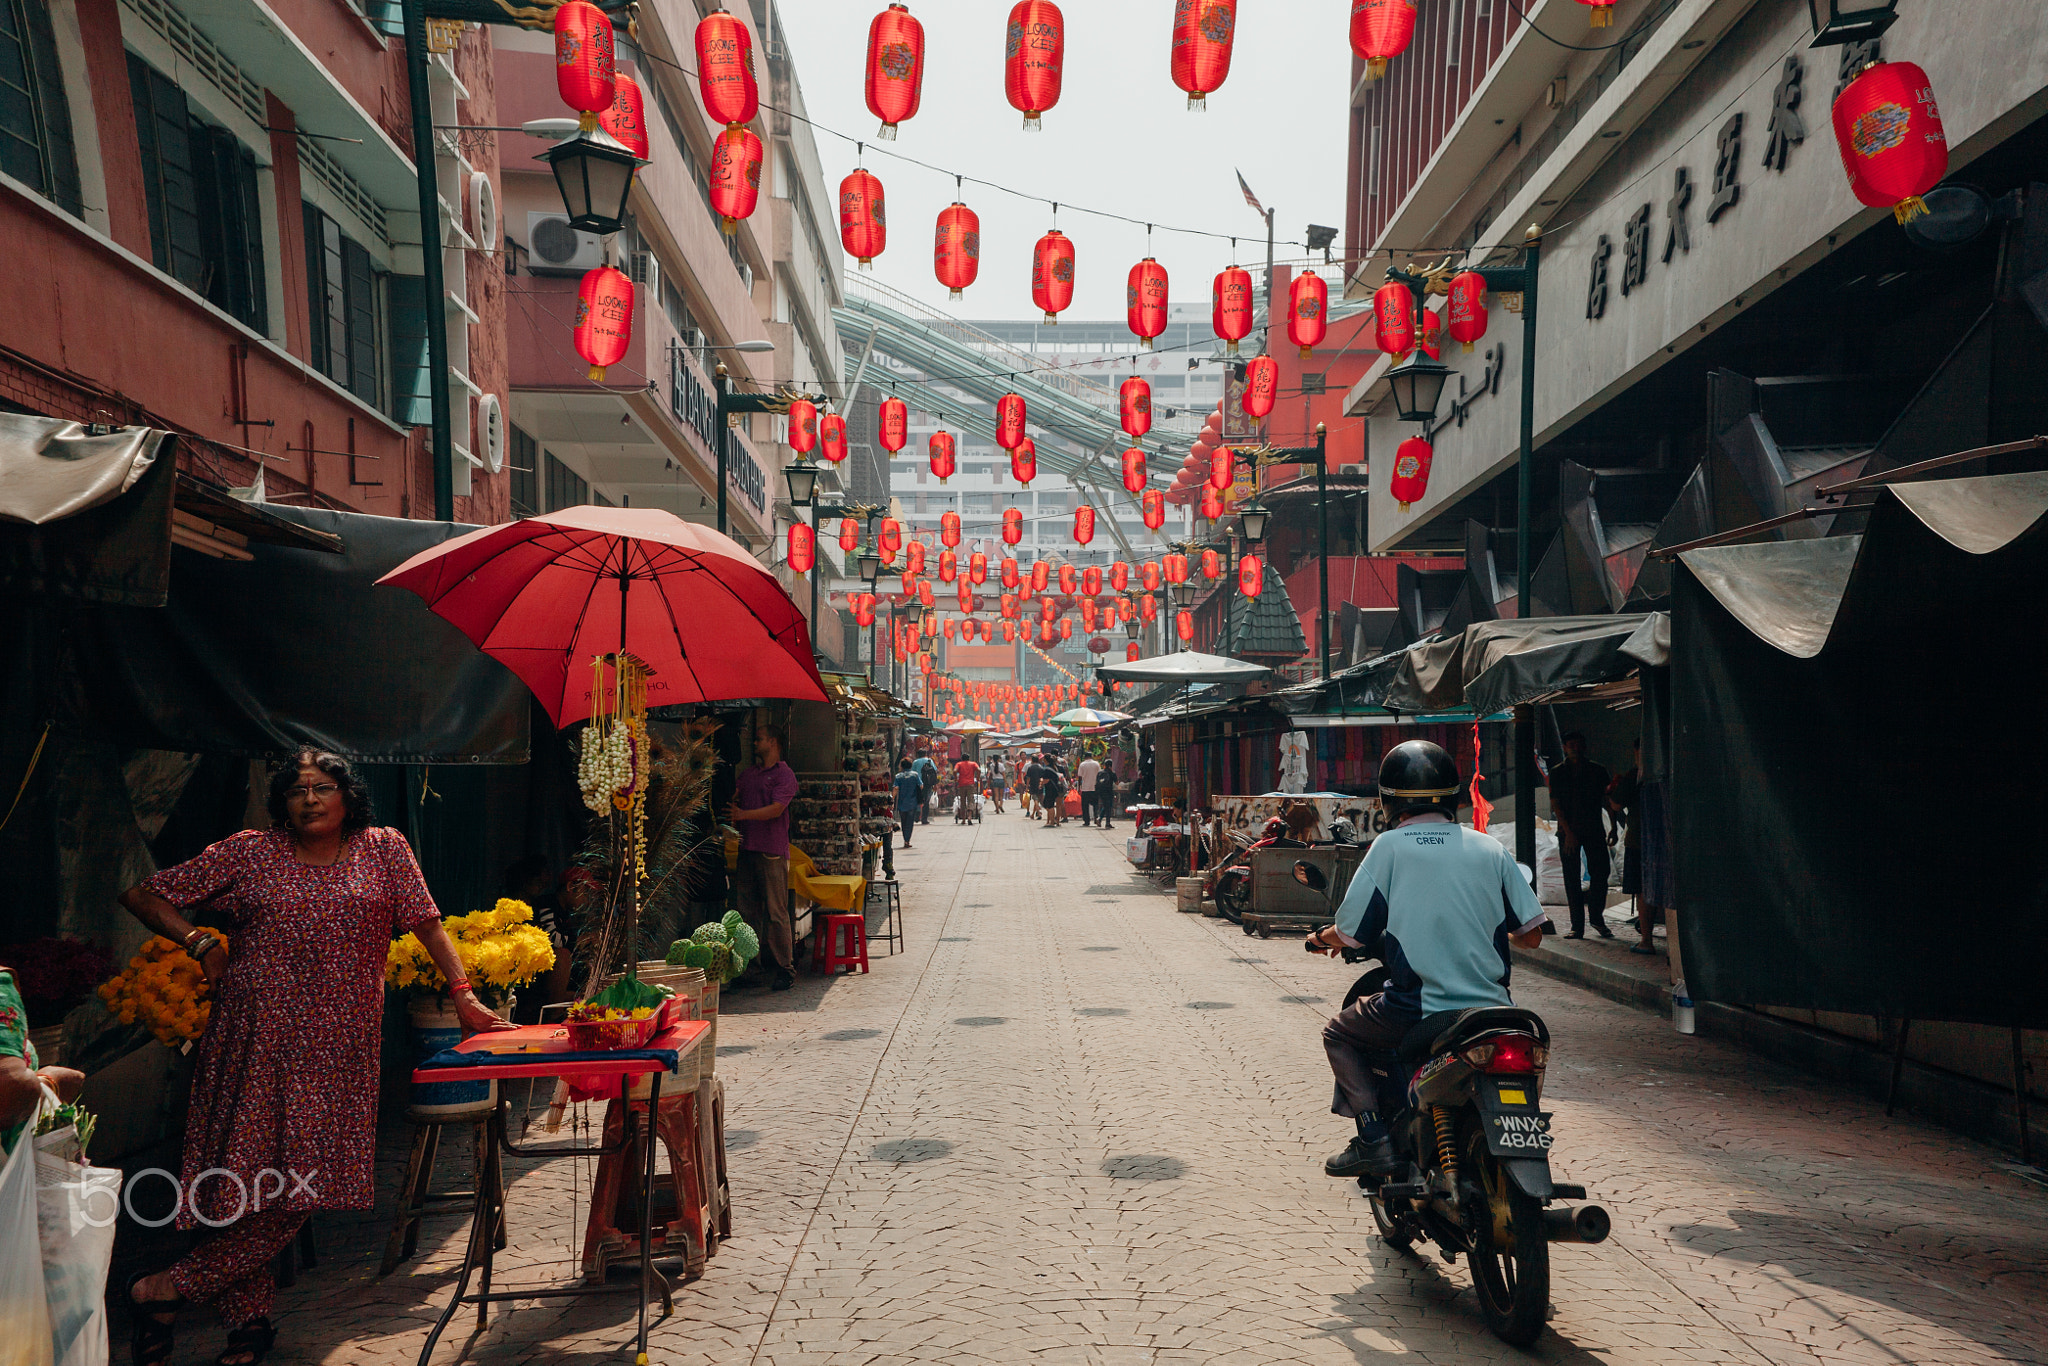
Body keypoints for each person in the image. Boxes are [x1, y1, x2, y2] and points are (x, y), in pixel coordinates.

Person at [120, 748, 514, 1366]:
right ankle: (247, 1322)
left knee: (305, 1185)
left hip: (341, 1046)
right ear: (282, 802)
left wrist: (463, 994)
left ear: (347, 795)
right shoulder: (250, 851)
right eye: (298, 789)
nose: (310, 799)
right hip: (254, 1037)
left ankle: (164, 1291)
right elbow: (145, 894)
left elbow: (429, 924)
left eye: (323, 787)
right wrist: (201, 942)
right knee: (247, 1183)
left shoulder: (384, 849)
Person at [1308, 741, 1548, 1178]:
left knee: (1338, 1034)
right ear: (1452, 796)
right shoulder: (1489, 848)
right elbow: (1531, 936)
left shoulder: (1390, 847)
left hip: (1418, 1009)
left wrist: (1319, 938)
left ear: (1389, 799)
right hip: (1494, 1012)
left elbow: (1350, 932)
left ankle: (1373, 1140)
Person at [727, 723, 798, 991]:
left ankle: (785, 968)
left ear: (773, 741)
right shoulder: (748, 774)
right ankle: (749, 967)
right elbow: (734, 797)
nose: (754, 744)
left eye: (759, 740)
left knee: (776, 911)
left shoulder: (784, 775)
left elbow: (776, 810)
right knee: (747, 912)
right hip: (747, 850)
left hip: (771, 851)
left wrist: (742, 815)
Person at [1548, 731, 1614, 939]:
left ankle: (1596, 918)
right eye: (1570, 744)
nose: (1574, 747)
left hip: (1594, 828)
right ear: (1565, 747)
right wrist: (1568, 833)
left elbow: (1608, 799)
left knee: (1601, 874)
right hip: (1568, 830)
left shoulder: (1597, 771)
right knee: (1571, 878)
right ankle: (1577, 925)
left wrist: (1612, 826)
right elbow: (1556, 804)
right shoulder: (1558, 772)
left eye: (1578, 744)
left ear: (1584, 747)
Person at [1609, 741, 1660, 955]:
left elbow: (1616, 804)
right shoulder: (1665, 772)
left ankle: (1646, 939)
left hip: (1640, 842)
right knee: (1656, 890)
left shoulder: (1635, 776)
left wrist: (1613, 791)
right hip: (1661, 842)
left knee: (1642, 891)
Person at [892, 758, 924, 848]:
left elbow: (895, 788)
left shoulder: (898, 776)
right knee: (910, 823)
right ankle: (907, 840)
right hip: (912, 803)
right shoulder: (915, 775)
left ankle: (905, 839)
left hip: (902, 804)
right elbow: (921, 786)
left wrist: (892, 799)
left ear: (902, 766)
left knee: (903, 822)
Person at [952, 752, 981, 821]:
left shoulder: (959, 764)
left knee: (962, 801)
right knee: (971, 800)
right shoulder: (973, 764)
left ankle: (964, 819)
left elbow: (955, 770)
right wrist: (978, 777)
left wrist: (956, 778)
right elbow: (979, 770)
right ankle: (970, 816)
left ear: (962, 759)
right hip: (970, 784)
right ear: (969, 758)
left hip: (961, 784)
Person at [914, 749, 939, 825]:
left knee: (917, 799)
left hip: (917, 783)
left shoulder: (915, 762)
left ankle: (917, 815)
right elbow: (934, 771)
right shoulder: (929, 761)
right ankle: (924, 819)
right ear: (925, 753)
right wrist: (935, 784)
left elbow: (912, 772)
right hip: (927, 783)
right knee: (926, 801)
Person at [1076, 752, 1101, 826]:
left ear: (1085, 757)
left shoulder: (1082, 764)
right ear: (1091, 756)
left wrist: (1079, 787)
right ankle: (1096, 818)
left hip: (1085, 788)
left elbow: (1080, 777)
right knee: (1096, 804)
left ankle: (1087, 821)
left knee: (1085, 806)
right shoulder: (1096, 764)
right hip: (1095, 787)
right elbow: (1099, 775)